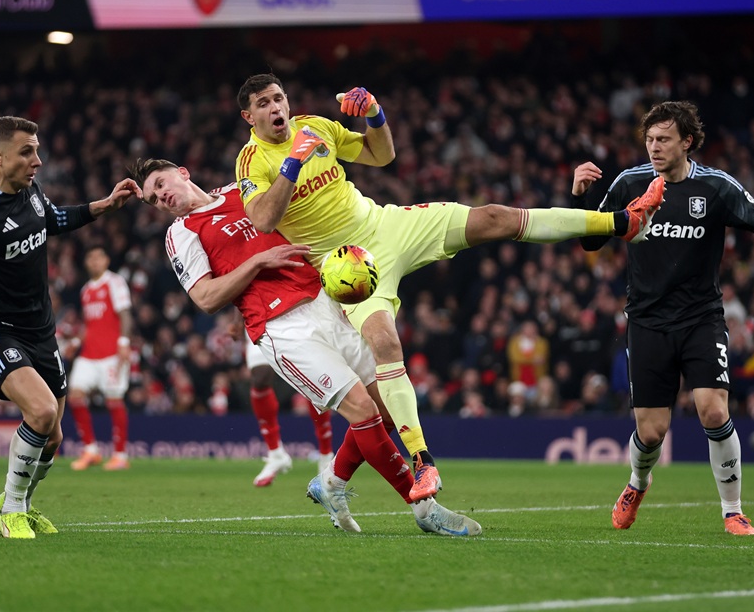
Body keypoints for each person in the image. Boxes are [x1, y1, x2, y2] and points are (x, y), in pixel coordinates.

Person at [234, 73, 664, 501]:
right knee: (384, 342)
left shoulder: (317, 126)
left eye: (278, 98)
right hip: (347, 267)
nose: (275, 108)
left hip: (386, 225)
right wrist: (292, 162)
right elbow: (263, 219)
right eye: (264, 104)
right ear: (248, 116)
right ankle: (423, 463)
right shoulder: (252, 161)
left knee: (494, 217)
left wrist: (375, 115)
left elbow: (380, 156)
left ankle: (622, 223)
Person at [130, 157, 481, 536]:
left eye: (162, 184)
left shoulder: (240, 192)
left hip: (325, 299)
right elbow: (205, 297)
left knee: (385, 403)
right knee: (363, 411)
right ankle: (424, 509)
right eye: (153, 198)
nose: (161, 196)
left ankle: (332, 483)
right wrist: (258, 263)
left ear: (183, 172)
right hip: (282, 328)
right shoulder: (181, 232)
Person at [571, 100, 754, 536]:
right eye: (649, 139)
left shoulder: (716, 187)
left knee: (711, 408)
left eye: (664, 139)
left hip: (701, 319)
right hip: (647, 322)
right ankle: (636, 484)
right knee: (651, 432)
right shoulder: (631, 182)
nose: (654, 147)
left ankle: (733, 510)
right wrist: (583, 195)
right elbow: (591, 242)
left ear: (687, 141)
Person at [0, 116, 141, 539]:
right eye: (27, 151)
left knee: (53, 438)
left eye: (37, 149)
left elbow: (53, 219)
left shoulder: (30, 193)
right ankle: (12, 509)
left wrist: (104, 205)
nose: (38, 160)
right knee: (38, 413)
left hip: (42, 332)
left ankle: (21, 501)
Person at [66, 245, 135, 472]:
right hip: (89, 354)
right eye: (90, 258)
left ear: (106, 260)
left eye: (98, 257)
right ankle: (91, 451)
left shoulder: (114, 282)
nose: (94, 262)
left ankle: (120, 455)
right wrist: (76, 343)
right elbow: (89, 324)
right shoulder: (86, 290)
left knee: (114, 400)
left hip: (112, 354)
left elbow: (125, 314)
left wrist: (124, 343)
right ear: (86, 263)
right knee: (75, 394)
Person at [240, 327, 335, 487]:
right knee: (260, 377)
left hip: (291, 311)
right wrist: (237, 320)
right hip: (255, 313)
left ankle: (326, 454)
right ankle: (276, 454)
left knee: (310, 374)